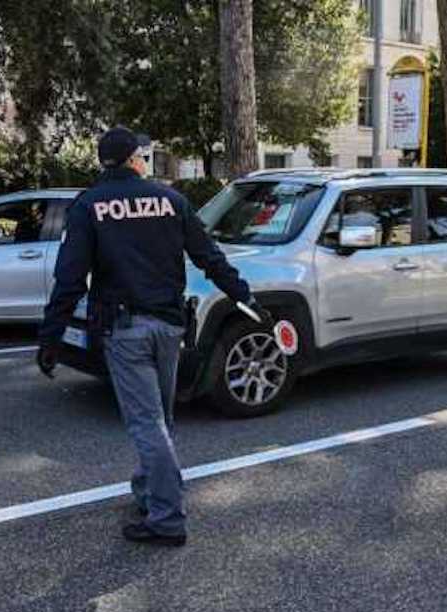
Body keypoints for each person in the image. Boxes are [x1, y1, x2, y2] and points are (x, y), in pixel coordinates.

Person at [37, 126, 272, 547]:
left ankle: (166, 517)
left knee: (147, 424)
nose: (147, 160)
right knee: (159, 421)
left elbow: (69, 279)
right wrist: (246, 298)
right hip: (170, 326)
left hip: (125, 330)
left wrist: (51, 337)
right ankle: (151, 492)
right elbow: (209, 258)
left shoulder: (89, 206)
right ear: (133, 160)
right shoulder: (171, 201)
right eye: (144, 155)